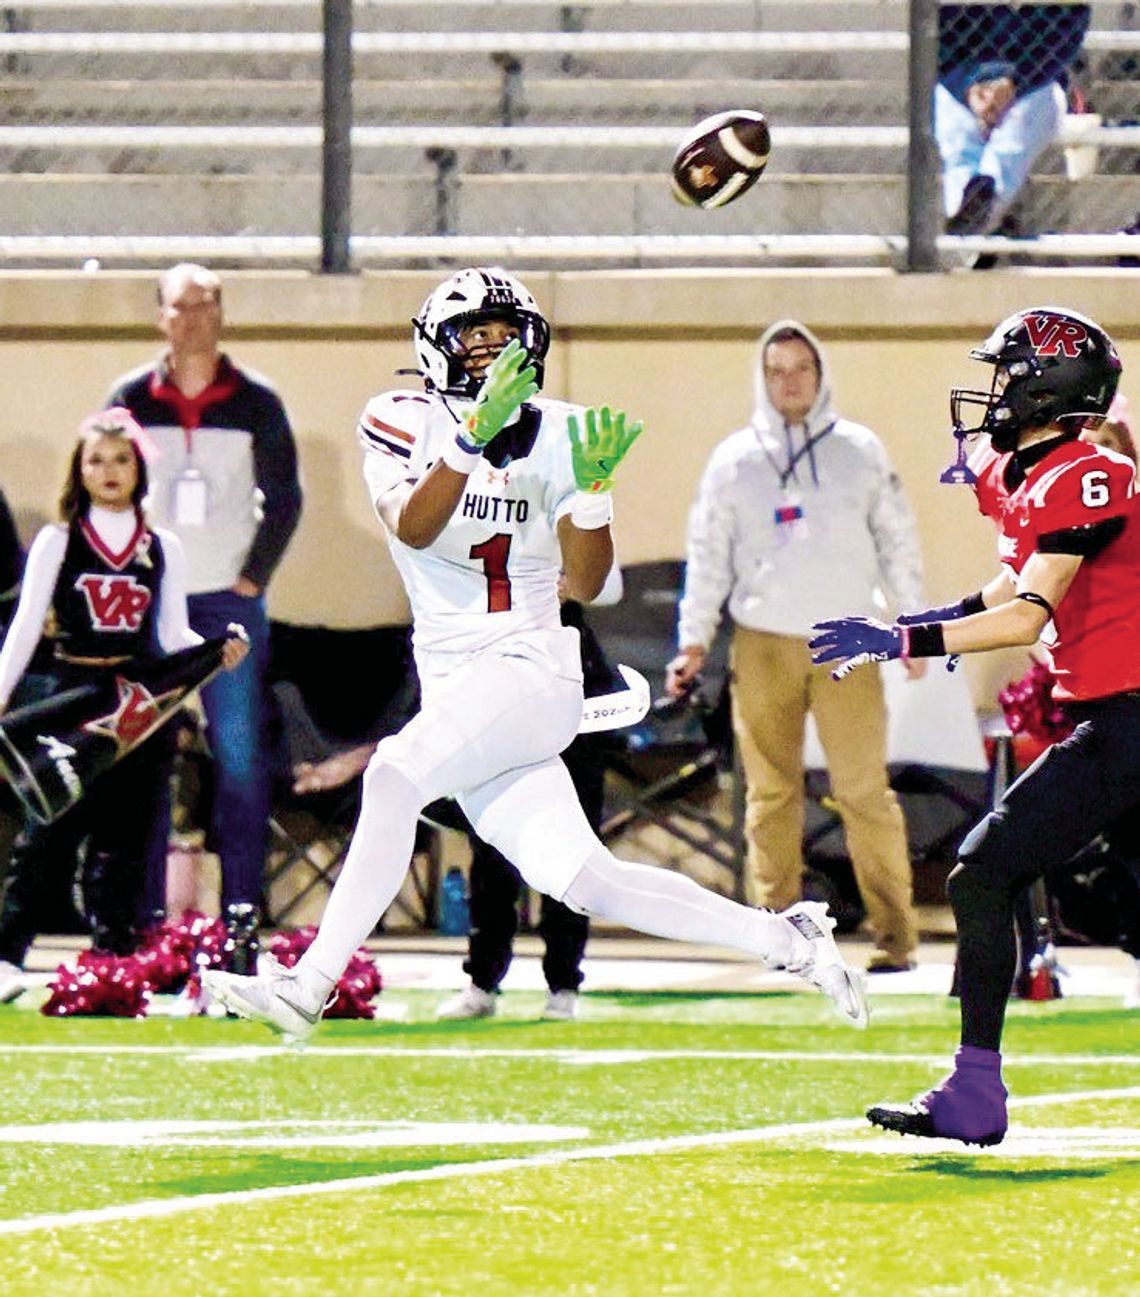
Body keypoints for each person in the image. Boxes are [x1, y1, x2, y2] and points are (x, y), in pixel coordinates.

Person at [203, 266, 868, 1039]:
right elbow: (413, 525)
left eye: (505, 336)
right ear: (435, 349)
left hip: (530, 668)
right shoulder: (398, 419)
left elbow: (586, 581)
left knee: (393, 777)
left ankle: (309, 984)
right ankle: (791, 939)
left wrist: (590, 495)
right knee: (589, 881)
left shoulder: (563, 431)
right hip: (460, 685)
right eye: (474, 338)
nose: (492, 351)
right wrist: (468, 439)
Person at [810, 305, 1131, 1145]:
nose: (994, 390)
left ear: (1047, 389)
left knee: (982, 875)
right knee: (1119, 903)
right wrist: (914, 625)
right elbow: (1007, 585)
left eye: (1009, 373)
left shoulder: (1088, 473)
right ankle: (974, 1090)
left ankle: (974, 1092)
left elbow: (1028, 615)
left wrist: (907, 637)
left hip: (1130, 717)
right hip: (1112, 713)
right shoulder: (1026, 472)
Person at [666, 320, 923, 974]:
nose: (789, 382)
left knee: (864, 790)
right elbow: (708, 553)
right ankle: (780, 938)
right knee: (771, 793)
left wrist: (912, 621)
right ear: (762, 376)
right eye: (776, 370)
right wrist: (692, 640)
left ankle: (895, 936)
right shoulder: (735, 459)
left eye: (801, 368)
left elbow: (897, 538)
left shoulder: (860, 450)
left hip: (848, 641)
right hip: (763, 639)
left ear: (820, 372)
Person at [0, 409, 248, 1003]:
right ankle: (8, 953)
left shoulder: (163, 545)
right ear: (78, 471)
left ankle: (112, 961)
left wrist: (218, 650)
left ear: (139, 470)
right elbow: (26, 628)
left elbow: (173, 633)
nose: (109, 471)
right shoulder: (59, 541)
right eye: (96, 460)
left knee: (127, 838)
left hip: (140, 710)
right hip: (71, 700)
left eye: (121, 460)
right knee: (48, 832)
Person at [106, 263, 303, 927]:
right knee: (142, 753)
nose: (191, 319)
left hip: (228, 603)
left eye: (204, 305)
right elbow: (105, 490)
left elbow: (285, 499)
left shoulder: (257, 400)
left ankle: (243, 911)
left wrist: (253, 578)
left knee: (241, 756)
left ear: (221, 312)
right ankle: (145, 918)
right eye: (178, 307)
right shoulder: (131, 396)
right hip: (151, 606)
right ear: (160, 315)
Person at [936, 4, 1091, 235]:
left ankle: (981, 207)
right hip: (970, 87)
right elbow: (939, 41)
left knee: (1018, 128)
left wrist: (1014, 84)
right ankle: (969, 210)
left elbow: (1066, 33)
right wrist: (970, 88)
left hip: (1037, 82)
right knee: (949, 113)